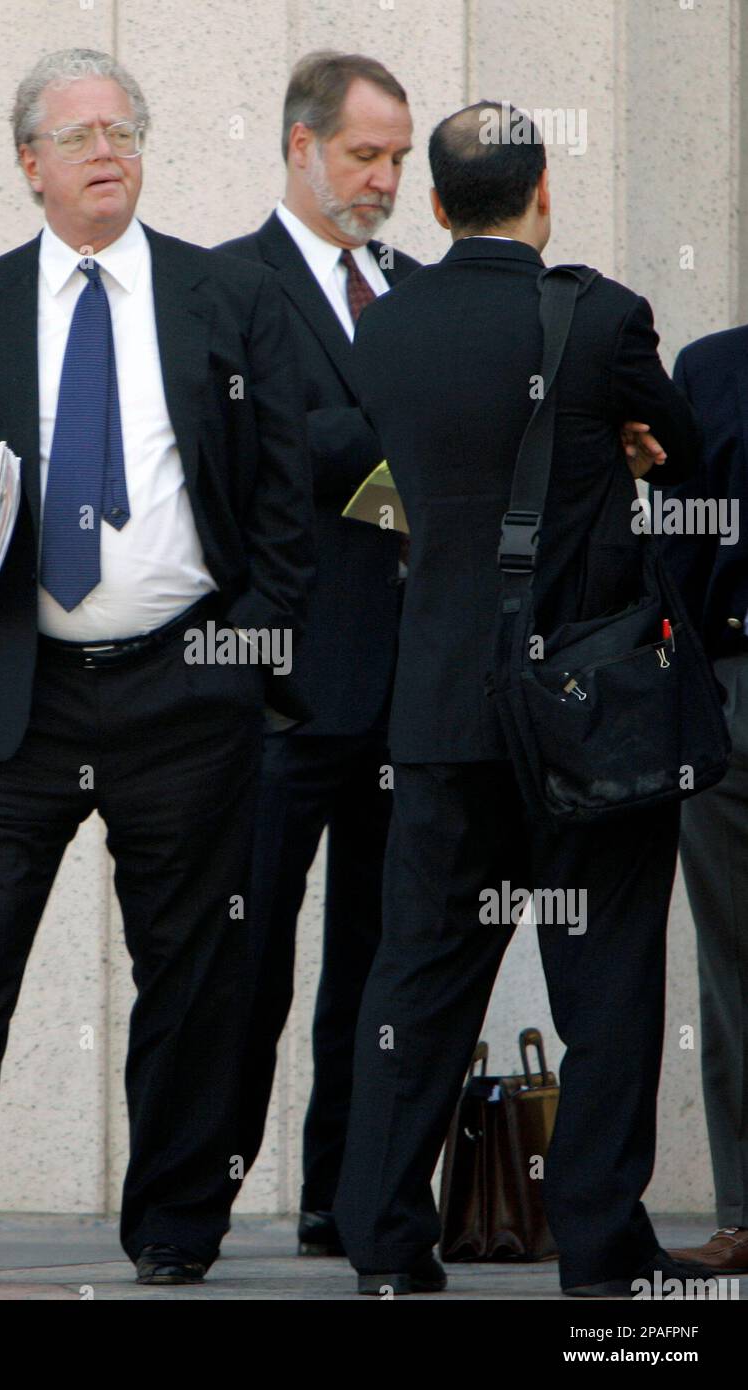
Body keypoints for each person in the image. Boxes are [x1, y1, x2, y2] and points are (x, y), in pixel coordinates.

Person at [0, 47, 313, 1289]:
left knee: (190, 978)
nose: (106, 149)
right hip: (24, 691)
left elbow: (282, 490)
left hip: (187, 688)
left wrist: (250, 652)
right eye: (76, 135)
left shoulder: (225, 296)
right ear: (30, 164)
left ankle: (174, 1236)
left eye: (122, 128)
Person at [332, 100, 708, 1297]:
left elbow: (376, 486)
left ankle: (386, 1245)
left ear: (434, 206)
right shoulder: (598, 317)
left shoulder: (382, 330)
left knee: (418, 979)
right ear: (543, 191)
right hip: (587, 716)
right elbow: (686, 444)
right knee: (604, 984)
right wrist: (629, 447)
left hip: (440, 715)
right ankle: (597, 1248)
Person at [215, 51, 419, 1256]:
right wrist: (416, 478)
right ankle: (191, 1203)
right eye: (363, 155)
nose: (384, 179)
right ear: (299, 146)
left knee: (378, 974)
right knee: (244, 967)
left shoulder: (416, 287)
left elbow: (368, 446)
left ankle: (345, 1196)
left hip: (407, 696)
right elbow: (278, 459)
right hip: (280, 693)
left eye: (397, 158)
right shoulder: (225, 288)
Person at [656, 327, 748, 1276]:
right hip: (730, 688)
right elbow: (675, 542)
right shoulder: (712, 367)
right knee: (732, 968)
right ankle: (744, 1208)